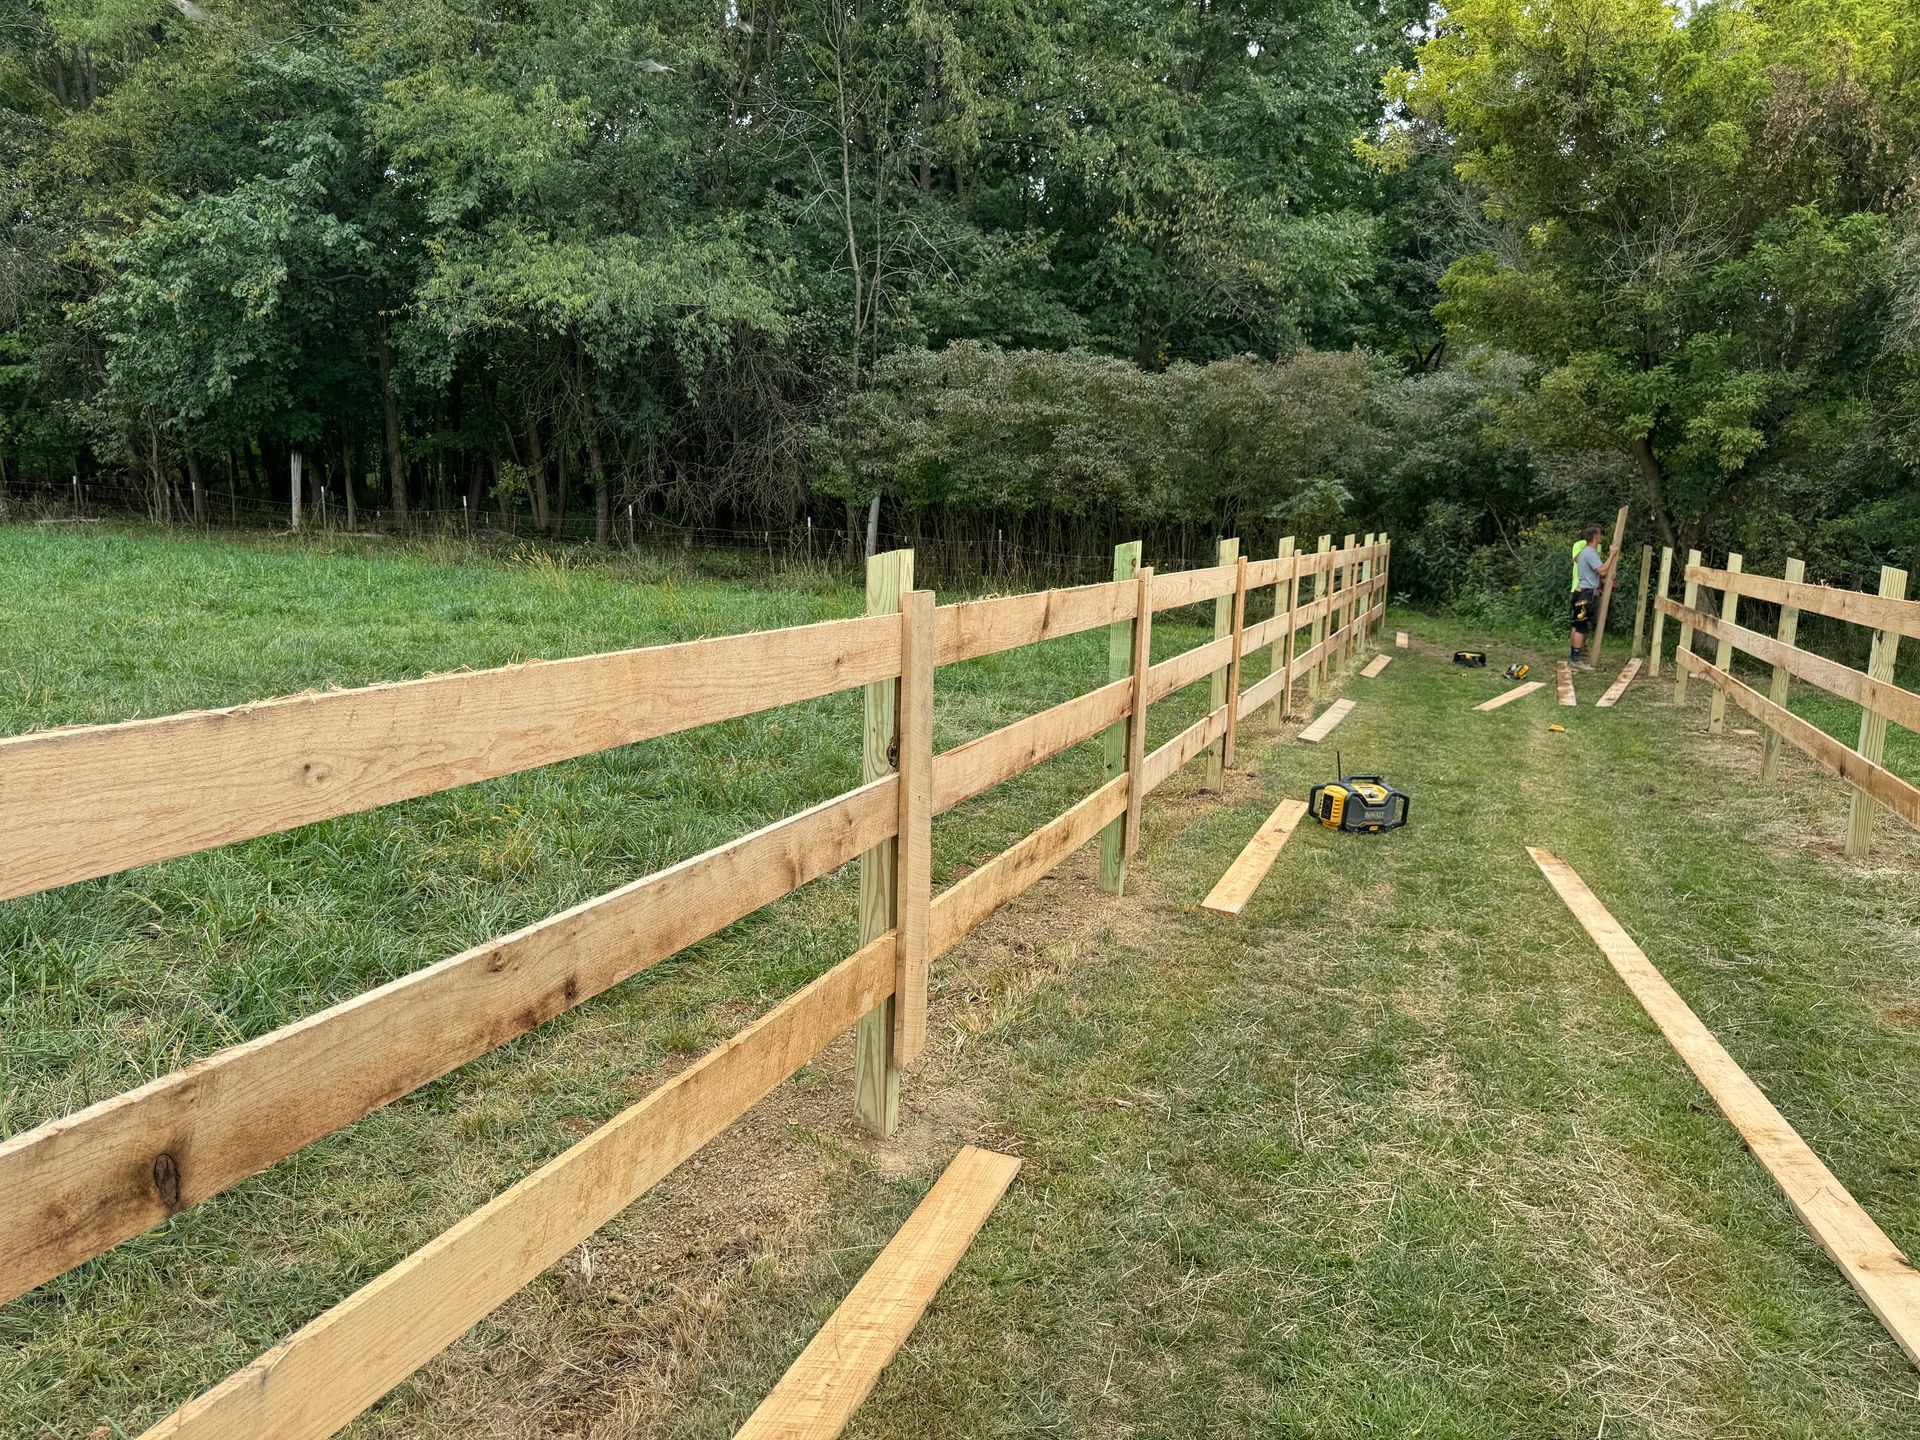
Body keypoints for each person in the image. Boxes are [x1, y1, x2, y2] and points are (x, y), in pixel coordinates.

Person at [1569, 524, 1615, 667]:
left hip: (1585, 592)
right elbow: (1601, 570)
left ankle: (1576, 656)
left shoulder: (1587, 553)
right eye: (1600, 534)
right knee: (1581, 626)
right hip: (1585, 594)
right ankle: (1575, 659)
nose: (1601, 537)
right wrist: (1612, 554)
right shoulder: (1589, 553)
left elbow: (1595, 574)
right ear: (1595, 536)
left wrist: (1604, 581)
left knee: (1582, 625)